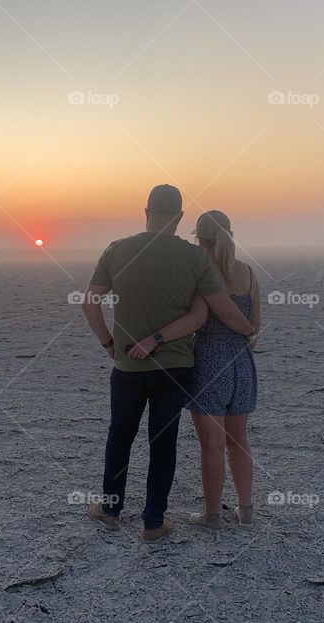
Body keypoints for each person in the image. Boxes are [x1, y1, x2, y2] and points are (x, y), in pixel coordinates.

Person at [80, 186, 255, 543]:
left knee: (120, 436)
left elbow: (89, 302)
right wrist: (250, 330)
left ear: (145, 211)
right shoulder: (194, 257)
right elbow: (215, 310)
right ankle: (153, 522)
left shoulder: (117, 249)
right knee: (164, 442)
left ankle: (110, 510)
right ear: (178, 218)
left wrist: (109, 342)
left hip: (127, 366)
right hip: (175, 368)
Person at [131, 210, 259, 530]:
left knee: (211, 445)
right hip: (243, 363)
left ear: (200, 240)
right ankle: (246, 511)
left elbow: (198, 319)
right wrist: (243, 337)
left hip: (209, 361)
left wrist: (156, 337)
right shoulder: (248, 273)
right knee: (239, 441)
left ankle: (212, 515)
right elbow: (255, 328)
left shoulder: (202, 275)